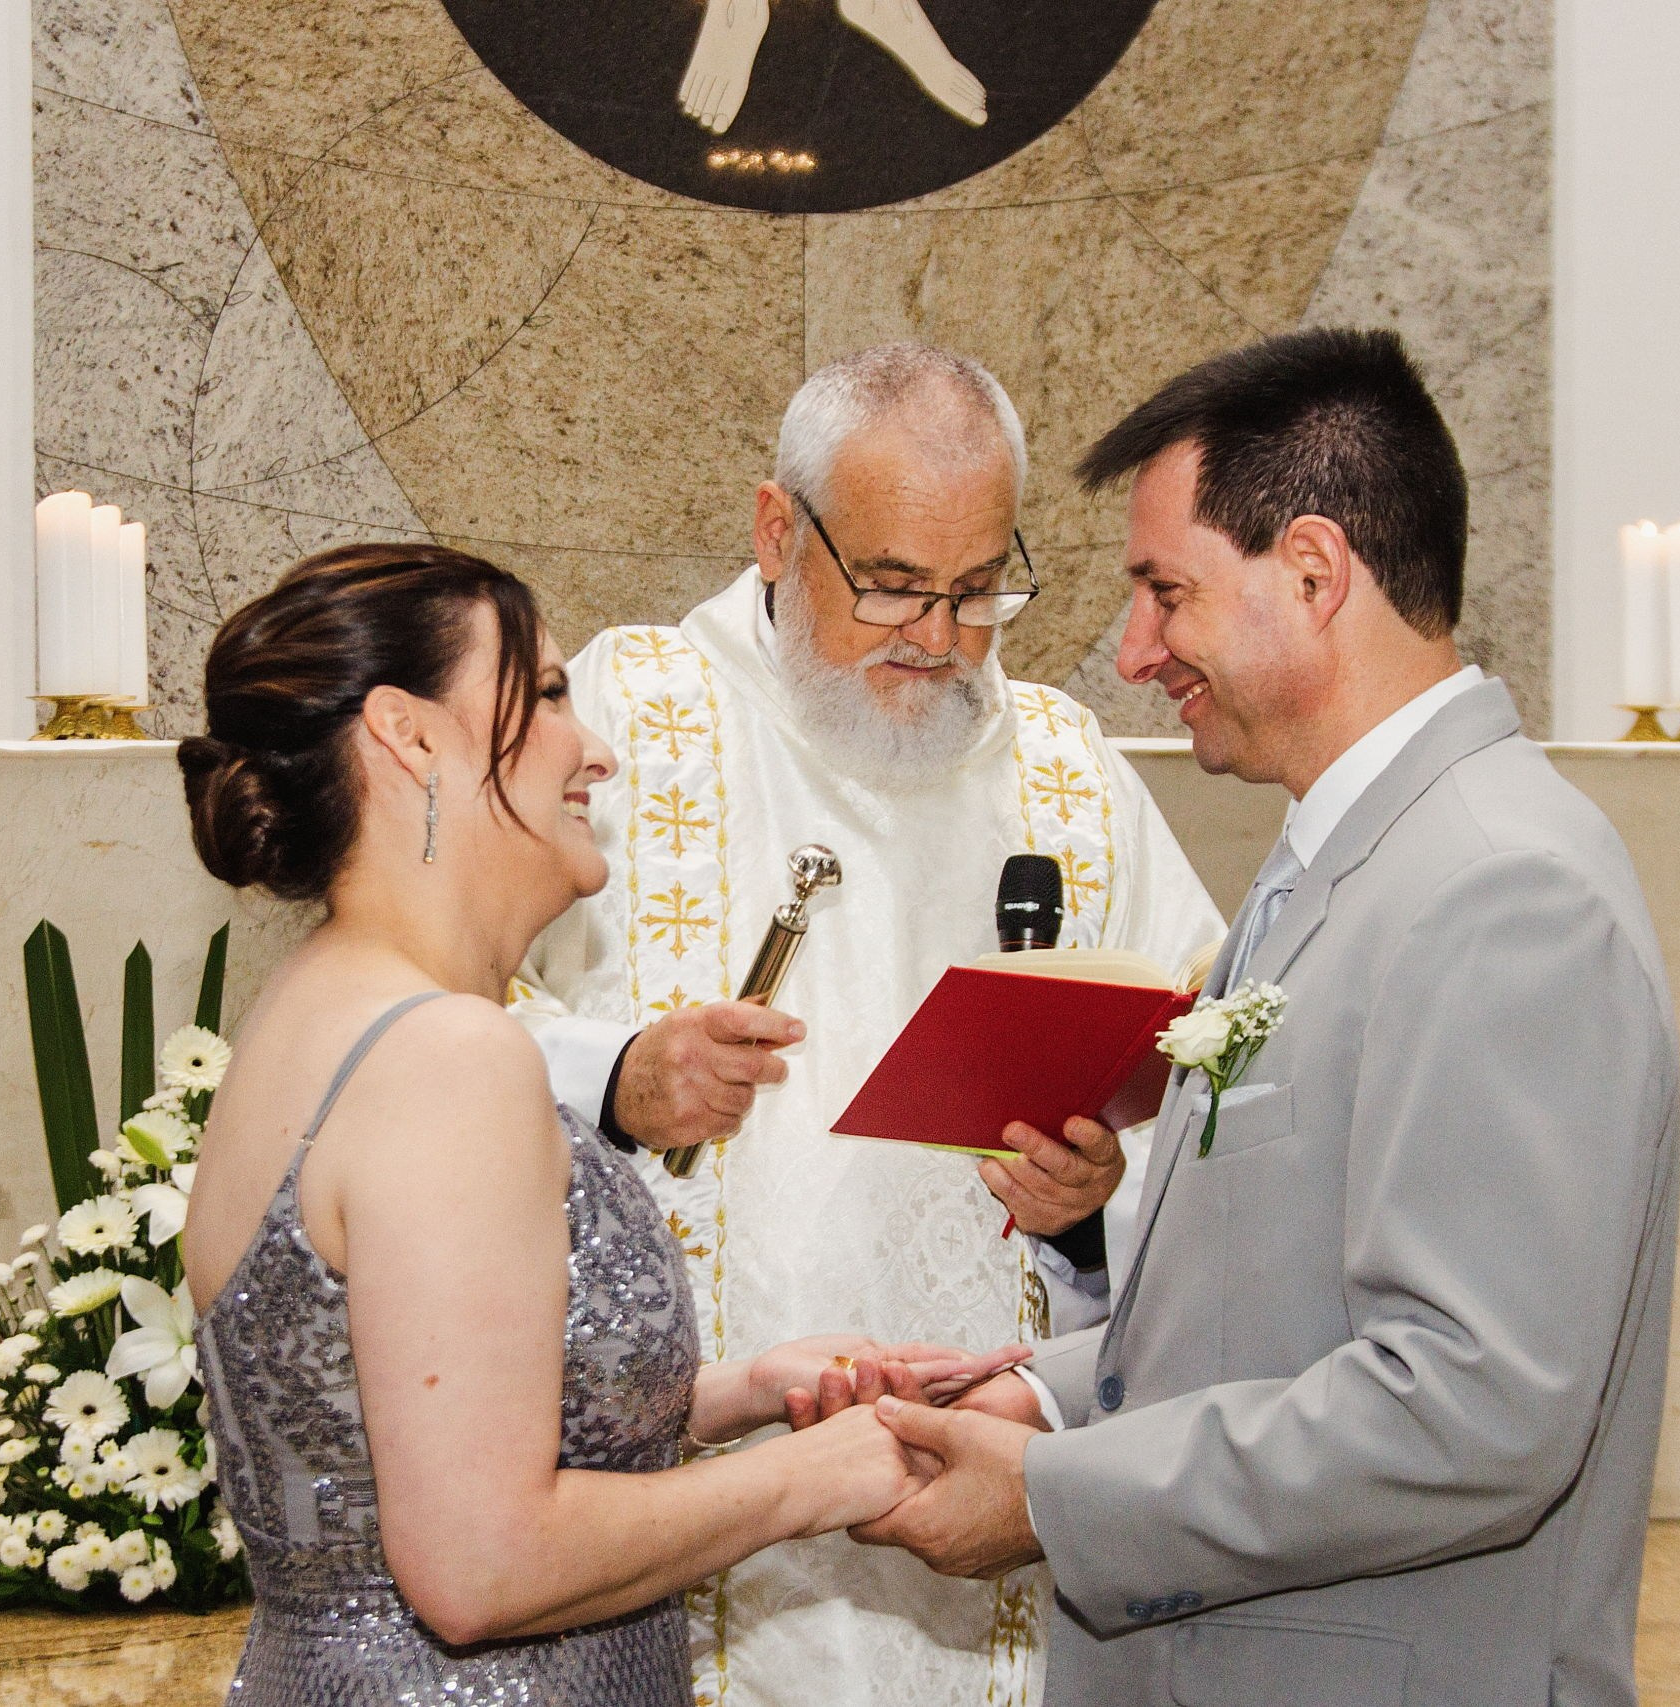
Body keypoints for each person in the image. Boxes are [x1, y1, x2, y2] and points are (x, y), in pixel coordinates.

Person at [829, 328, 1680, 1707]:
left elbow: (1473, 1407)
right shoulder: (1347, 857)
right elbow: (1272, 1314)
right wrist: (1041, 1392)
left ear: (1313, 570)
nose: (1133, 651)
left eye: (1165, 592)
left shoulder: (1503, 889)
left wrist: (1053, 1494)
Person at [176, 543, 1025, 1703]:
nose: (597, 750)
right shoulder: (447, 1056)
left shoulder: (314, 1006)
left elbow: (400, 1420)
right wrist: (823, 1474)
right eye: (547, 694)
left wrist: (742, 1392)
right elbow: (479, 1567)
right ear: (408, 735)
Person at [514, 343, 1223, 1707]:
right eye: (892, 583)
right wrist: (620, 1072)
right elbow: (430, 1014)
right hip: (687, 1495)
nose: (938, 637)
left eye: (978, 588)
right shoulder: (623, 714)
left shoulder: (1069, 772)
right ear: (777, 531)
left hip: (987, 1504)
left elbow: (1216, 1106)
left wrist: (1092, 1208)